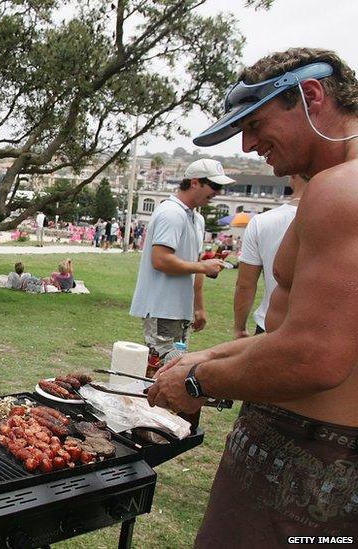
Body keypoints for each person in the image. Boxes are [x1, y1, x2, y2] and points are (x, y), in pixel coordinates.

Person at [149, 48, 358, 545]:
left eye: (257, 123)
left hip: (316, 478)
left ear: (310, 95)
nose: (248, 143)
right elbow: (300, 330)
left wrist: (198, 382)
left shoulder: (342, 189)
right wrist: (206, 355)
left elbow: (315, 358)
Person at [128, 158, 232, 359]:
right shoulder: (171, 213)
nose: (218, 192)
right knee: (160, 371)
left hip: (180, 310)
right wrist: (202, 267)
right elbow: (160, 260)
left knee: (174, 370)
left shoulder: (196, 218)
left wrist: (198, 307)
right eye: (215, 185)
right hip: (163, 308)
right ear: (194, 182)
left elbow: (196, 263)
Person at [233, 175, 306, 337]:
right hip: (322, 331)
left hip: (270, 325)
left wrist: (239, 327)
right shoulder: (344, 217)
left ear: (291, 177)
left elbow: (245, 284)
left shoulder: (262, 221)